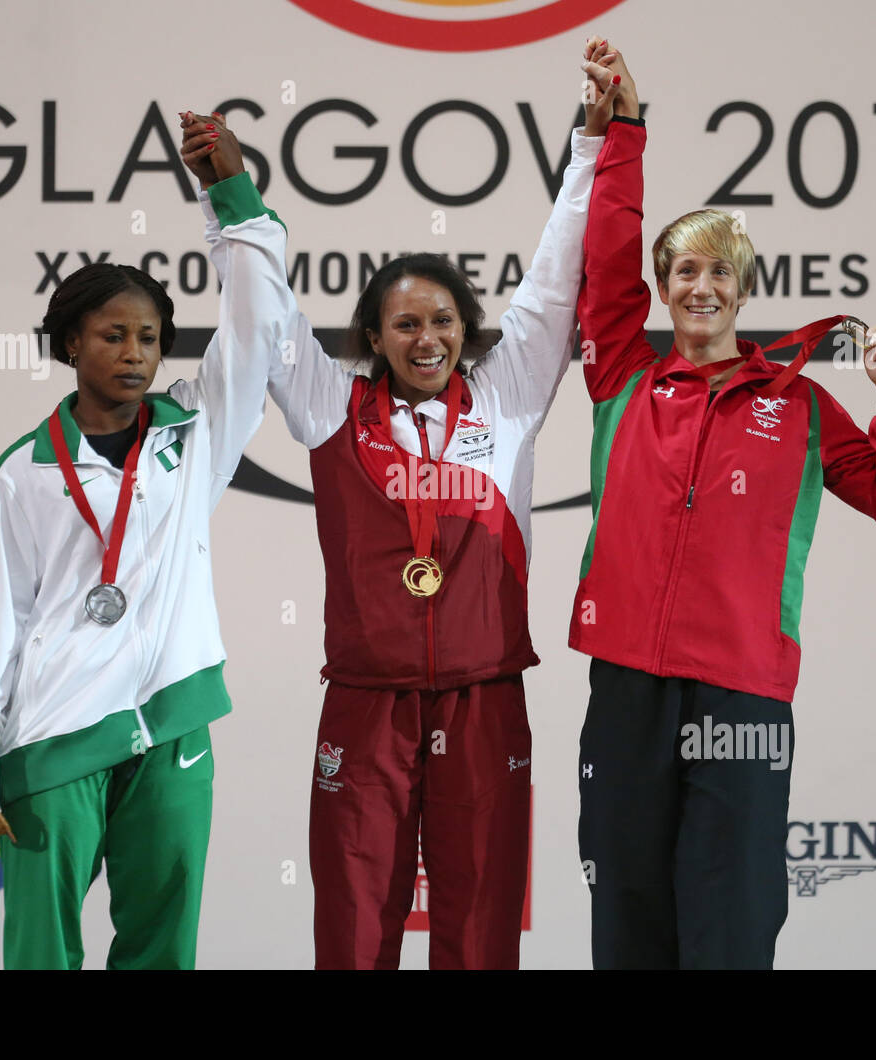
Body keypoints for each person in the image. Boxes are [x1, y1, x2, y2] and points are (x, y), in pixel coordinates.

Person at [178, 63, 616, 969]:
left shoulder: (506, 399)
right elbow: (263, 313)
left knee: (481, 919)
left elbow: (553, 277)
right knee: (351, 917)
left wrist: (588, 147)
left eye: (446, 322)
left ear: (467, 330)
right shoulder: (331, 406)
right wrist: (231, 191)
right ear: (372, 337)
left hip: (486, 692)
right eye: (406, 324)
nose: (429, 339)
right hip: (367, 703)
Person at [572, 40, 876, 969]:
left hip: (742, 689)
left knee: (731, 920)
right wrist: (626, 131)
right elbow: (605, 256)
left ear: (743, 290)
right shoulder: (623, 375)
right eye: (683, 273)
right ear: (664, 289)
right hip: (626, 684)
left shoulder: (802, 406)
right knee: (628, 915)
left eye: (719, 274)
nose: (700, 288)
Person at [0, 124, 274, 969]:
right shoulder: (24, 471)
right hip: (53, 734)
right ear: (71, 344)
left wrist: (233, 198)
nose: (134, 353)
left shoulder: (195, 434)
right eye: (113, 335)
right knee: (41, 952)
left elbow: (259, 328)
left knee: (163, 948)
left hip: (172, 727)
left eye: (150, 338)